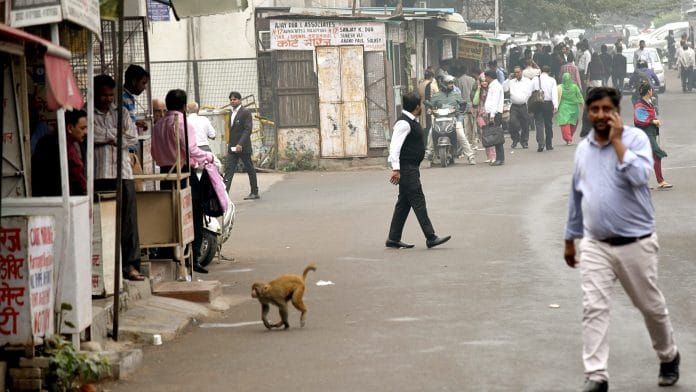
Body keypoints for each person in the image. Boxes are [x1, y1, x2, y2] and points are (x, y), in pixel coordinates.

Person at [564, 87, 681, 392]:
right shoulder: (583, 149)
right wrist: (569, 238)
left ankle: (668, 355)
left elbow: (640, 176)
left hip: (636, 242)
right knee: (594, 307)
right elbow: (577, 194)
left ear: (616, 112)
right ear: (589, 113)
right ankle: (596, 374)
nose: (600, 115)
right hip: (595, 244)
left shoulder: (636, 140)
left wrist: (617, 143)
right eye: (595, 110)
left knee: (650, 306)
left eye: (606, 109)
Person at [152, 89, 218, 274]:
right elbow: (192, 150)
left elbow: (154, 153)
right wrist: (209, 156)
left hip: (166, 174)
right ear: (183, 106)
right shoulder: (182, 123)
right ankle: (193, 256)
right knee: (193, 213)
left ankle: (167, 252)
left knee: (169, 213)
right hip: (182, 173)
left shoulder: (158, 125)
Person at [92, 74, 144, 281]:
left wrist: (106, 136)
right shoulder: (87, 113)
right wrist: (114, 136)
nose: (108, 99)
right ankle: (106, 269)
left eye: (110, 95)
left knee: (128, 223)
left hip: (123, 173)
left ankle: (130, 266)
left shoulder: (120, 112)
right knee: (102, 224)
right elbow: (90, 135)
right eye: (104, 95)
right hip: (99, 175)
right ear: (96, 94)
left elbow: (132, 137)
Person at [385, 91, 451, 250]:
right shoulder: (404, 123)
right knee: (418, 202)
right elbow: (395, 147)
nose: (421, 107)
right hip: (407, 169)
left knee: (404, 204)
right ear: (416, 107)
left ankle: (393, 238)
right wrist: (395, 168)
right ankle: (431, 237)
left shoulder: (411, 121)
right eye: (420, 104)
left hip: (411, 168)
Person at [32, 109, 88, 197]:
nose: (86, 132)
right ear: (70, 128)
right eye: (82, 128)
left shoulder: (77, 145)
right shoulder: (49, 144)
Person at [425, 75, 476, 164]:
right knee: (431, 133)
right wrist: (429, 109)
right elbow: (430, 105)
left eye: (452, 83)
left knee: (461, 135)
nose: (452, 85)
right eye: (449, 83)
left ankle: (470, 156)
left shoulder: (456, 94)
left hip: (453, 119)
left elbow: (462, 103)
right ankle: (429, 152)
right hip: (439, 120)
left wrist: (461, 109)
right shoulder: (437, 95)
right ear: (444, 84)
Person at [634, 82, 672, 189]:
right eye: (651, 90)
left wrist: (655, 121)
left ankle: (660, 181)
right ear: (648, 92)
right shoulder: (639, 105)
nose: (652, 91)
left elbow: (650, 116)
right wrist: (653, 121)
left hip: (652, 132)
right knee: (656, 152)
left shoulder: (649, 102)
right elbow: (639, 119)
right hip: (645, 133)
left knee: (653, 157)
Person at [224, 91, 259, 199]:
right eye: (231, 99)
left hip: (243, 147)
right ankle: (224, 195)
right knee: (229, 170)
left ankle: (254, 192)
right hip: (232, 147)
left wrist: (240, 144)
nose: (232, 101)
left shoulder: (245, 112)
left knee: (249, 169)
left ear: (240, 100)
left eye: (234, 99)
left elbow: (247, 130)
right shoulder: (230, 113)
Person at [503, 66, 533, 149]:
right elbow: (504, 88)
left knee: (525, 124)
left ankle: (524, 141)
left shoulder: (527, 81)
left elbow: (530, 92)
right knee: (512, 122)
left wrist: (525, 98)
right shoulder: (511, 82)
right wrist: (508, 79)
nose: (516, 74)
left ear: (521, 72)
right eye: (515, 72)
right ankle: (515, 139)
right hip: (514, 106)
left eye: (518, 72)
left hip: (523, 105)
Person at [532, 65, 559, 151]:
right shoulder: (552, 80)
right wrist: (555, 105)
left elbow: (531, 92)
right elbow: (554, 94)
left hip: (537, 103)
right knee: (548, 124)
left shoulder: (535, 79)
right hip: (548, 104)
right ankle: (549, 144)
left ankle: (540, 143)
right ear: (549, 72)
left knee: (539, 123)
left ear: (541, 71)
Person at [472, 75, 496, 163]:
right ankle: (489, 156)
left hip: (489, 114)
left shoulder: (491, 90)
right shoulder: (479, 91)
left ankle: (493, 156)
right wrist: (478, 90)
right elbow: (474, 102)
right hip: (481, 115)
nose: (484, 82)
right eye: (482, 81)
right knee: (485, 135)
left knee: (491, 135)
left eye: (486, 81)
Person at [484, 70, 505, 166]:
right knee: (496, 136)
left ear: (489, 77)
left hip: (495, 114)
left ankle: (500, 158)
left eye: (486, 77)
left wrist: (492, 115)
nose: (485, 79)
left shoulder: (496, 87)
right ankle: (499, 158)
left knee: (496, 137)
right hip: (493, 114)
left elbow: (495, 101)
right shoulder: (493, 86)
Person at [556, 72, 584, 145]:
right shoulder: (575, 87)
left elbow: (556, 97)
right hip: (574, 107)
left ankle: (568, 139)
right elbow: (580, 96)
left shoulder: (559, 87)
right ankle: (569, 138)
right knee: (573, 123)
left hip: (563, 107)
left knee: (565, 124)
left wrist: (555, 106)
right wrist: (582, 104)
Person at [457, 67, 479, 147]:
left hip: (463, 104)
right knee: (474, 122)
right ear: (466, 71)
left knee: (465, 122)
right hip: (472, 103)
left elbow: (458, 94)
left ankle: (466, 139)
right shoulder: (472, 80)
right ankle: (474, 139)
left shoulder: (459, 80)